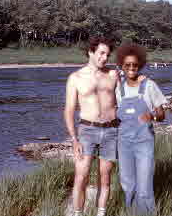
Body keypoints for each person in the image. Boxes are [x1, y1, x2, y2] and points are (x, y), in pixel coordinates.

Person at [65, 36, 120, 216]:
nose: (105, 58)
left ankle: (101, 213)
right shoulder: (76, 78)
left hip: (112, 131)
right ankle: (77, 214)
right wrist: (74, 139)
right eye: (101, 53)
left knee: (105, 179)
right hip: (87, 131)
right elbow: (69, 110)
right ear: (90, 52)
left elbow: (123, 104)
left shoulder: (113, 75)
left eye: (107, 55)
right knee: (81, 177)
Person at [115, 43, 167, 215]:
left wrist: (151, 116)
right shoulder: (118, 88)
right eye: (127, 65)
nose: (131, 68)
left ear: (140, 65)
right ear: (121, 66)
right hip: (124, 144)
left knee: (144, 188)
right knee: (128, 185)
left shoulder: (149, 85)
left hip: (144, 142)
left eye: (135, 65)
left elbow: (162, 115)